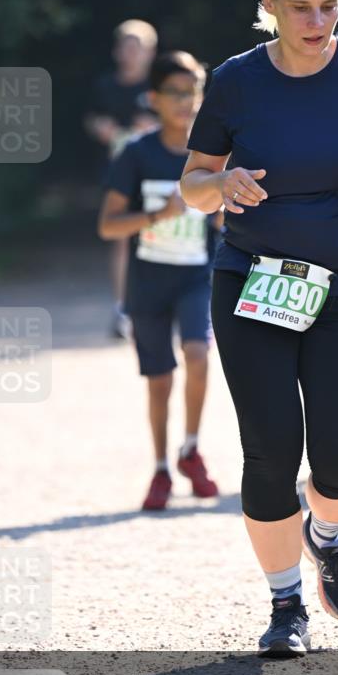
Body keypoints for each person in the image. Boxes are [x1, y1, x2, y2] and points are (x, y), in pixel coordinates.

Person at [180, 0, 338, 656]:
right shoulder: (236, 81)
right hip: (253, 283)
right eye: (300, 8)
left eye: (329, 8)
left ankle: (328, 536)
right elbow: (193, 181)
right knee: (270, 452)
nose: (316, 23)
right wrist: (219, 186)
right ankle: (285, 604)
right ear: (270, 5)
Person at [98, 51, 221, 511]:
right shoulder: (136, 154)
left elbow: (226, 222)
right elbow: (108, 226)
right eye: (175, 92)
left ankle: (190, 449)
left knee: (197, 353)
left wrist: (225, 210)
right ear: (152, 98)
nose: (186, 100)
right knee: (159, 380)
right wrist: (158, 214)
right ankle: (161, 468)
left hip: (196, 277)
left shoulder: (211, 155)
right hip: (148, 283)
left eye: (194, 90)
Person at [85, 19, 159, 340]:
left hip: (157, 174)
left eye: (137, 47)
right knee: (121, 239)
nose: (130, 53)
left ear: (150, 52)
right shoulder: (105, 86)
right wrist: (103, 128)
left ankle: (158, 306)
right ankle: (122, 308)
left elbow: (184, 122)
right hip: (120, 174)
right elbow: (91, 117)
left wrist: (153, 128)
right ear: (117, 51)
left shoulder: (159, 87)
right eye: (125, 46)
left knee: (158, 240)